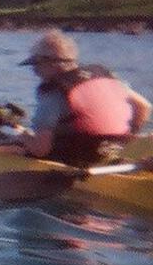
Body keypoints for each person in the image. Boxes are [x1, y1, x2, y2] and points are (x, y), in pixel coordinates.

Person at [18, 29, 150, 166]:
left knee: (17, 148)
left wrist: (21, 135)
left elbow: (41, 150)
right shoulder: (103, 77)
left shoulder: (53, 94)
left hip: (75, 157)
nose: (34, 72)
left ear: (50, 63)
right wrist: (130, 135)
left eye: (36, 65)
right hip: (111, 150)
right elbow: (144, 107)